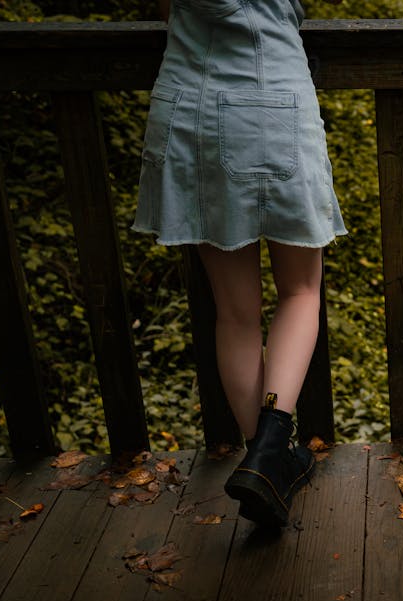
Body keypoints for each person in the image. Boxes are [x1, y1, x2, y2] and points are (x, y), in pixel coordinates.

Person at [134, 0, 346, 527]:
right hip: (271, 103)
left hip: (190, 112)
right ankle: (270, 455)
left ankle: (264, 459)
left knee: (234, 313)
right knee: (300, 292)